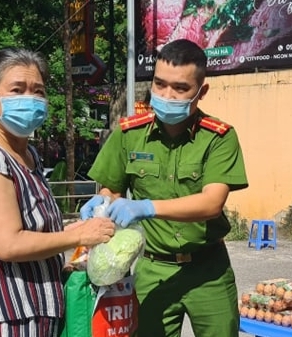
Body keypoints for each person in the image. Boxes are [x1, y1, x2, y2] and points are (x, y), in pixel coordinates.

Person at [80, 39, 248, 337]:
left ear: (202, 91)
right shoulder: (129, 134)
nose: (166, 94)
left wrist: (147, 207)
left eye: (180, 88)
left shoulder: (219, 137)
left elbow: (211, 203)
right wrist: (101, 202)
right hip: (152, 270)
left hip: (208, 270)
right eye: (159, 84)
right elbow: (112, 191)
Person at [0, 47, 115, 337]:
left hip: (41, 311)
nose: (29, 99)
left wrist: (74, 233)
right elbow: (9, 244)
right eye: (17, 89)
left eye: (38, 91)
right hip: (7, 318)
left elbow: (34, 228)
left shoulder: (28, 155)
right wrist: (79, 235)